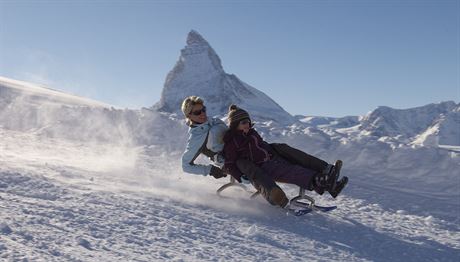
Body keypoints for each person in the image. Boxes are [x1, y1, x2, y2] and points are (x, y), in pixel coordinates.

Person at [223, 105, 348, 208]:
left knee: (297, 158)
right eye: (244, 122)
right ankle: (321, 180)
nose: (248, 125)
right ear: (235, 125)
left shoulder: (252, 133)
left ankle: (329, 175)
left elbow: (262, 146)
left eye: (248, 122)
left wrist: (275, 151)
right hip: (263, 166)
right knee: (293, 171)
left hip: (274, 157)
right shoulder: (233, 141)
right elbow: (229, 163)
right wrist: (240, 176)